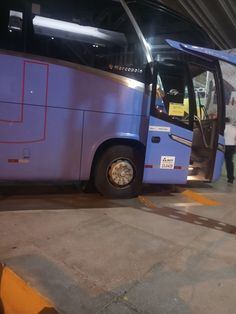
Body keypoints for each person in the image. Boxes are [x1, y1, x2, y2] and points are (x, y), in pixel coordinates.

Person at [224, 117, 236, 183]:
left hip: (225, 146)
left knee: (218, 160)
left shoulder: (224, 127)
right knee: (230, 162)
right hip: (232, 146)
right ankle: (231, 177)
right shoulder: (234, 128)